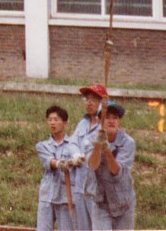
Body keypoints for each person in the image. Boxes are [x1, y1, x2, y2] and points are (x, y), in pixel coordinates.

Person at [88, 101, 135, 229]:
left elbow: (116, 171)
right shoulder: (90, 139)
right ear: (99, 121)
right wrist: (98, 146)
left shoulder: (128, 142)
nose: (111, 121)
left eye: (115, 118)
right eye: (107, 117)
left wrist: (107, 150)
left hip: (123, 202)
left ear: (119, 121)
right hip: (101, 202)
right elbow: (92, 165)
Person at [36, 104, 80, 231]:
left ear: (64, 123)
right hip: (47, 196)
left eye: (56, 119)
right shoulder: (42, 146)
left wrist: (76, 159)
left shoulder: (73, 145)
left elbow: (77, 157)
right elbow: (49, 161)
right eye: (50, 120)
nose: (52, 123)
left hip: (66, 196)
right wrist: (60, 164)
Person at [70, 82, 107, 228]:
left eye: (93, 100)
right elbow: (72, 142)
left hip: (97, 189)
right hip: (80, 186)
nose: (89, 103)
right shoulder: (83, 123)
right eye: (87, 99)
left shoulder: (104, 126)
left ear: (102, 102)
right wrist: (76, 154)